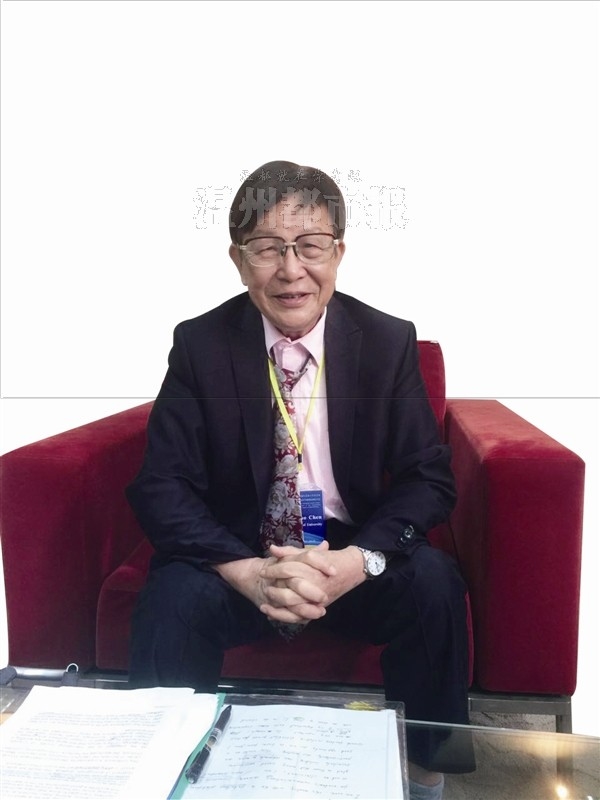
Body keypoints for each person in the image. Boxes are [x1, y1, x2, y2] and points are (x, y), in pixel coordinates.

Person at [127, 160, 474, 799]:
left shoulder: (386, 341)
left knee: (433, 582)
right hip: (242, 556)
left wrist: (356, 561)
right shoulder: (201, 346)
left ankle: (426, 777)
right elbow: (162, 485)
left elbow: (427, 478)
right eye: (267, 248)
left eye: (310, 246)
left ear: (338, 252)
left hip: (348, 553)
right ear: (238, 260)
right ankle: (161, 777)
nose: (291, 270)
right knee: (173, 595)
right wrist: (245, 570)